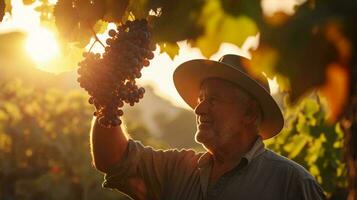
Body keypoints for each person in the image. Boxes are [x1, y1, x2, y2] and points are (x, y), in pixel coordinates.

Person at [90, 54, 326, 200]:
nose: (199, 109)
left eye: (213, 100)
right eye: (200, 99)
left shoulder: (292, 184)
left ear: (250, 113)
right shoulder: (178, 170)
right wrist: (109, 97)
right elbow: (113, 158)